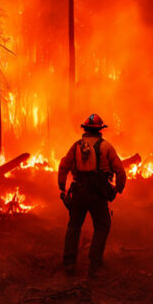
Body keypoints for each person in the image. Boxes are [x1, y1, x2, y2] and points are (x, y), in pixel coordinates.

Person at [58, 113, 126, 276]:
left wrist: (62, 186)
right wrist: (119, 188)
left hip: (79, 191)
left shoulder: (76, 146)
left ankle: (69, 264)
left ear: (85, 129)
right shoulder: (106, 147)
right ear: (100, 130)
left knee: (74, 226)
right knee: (102, 226)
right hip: (98, 193)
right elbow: (119, 170)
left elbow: (64, 165)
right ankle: (94, 265)